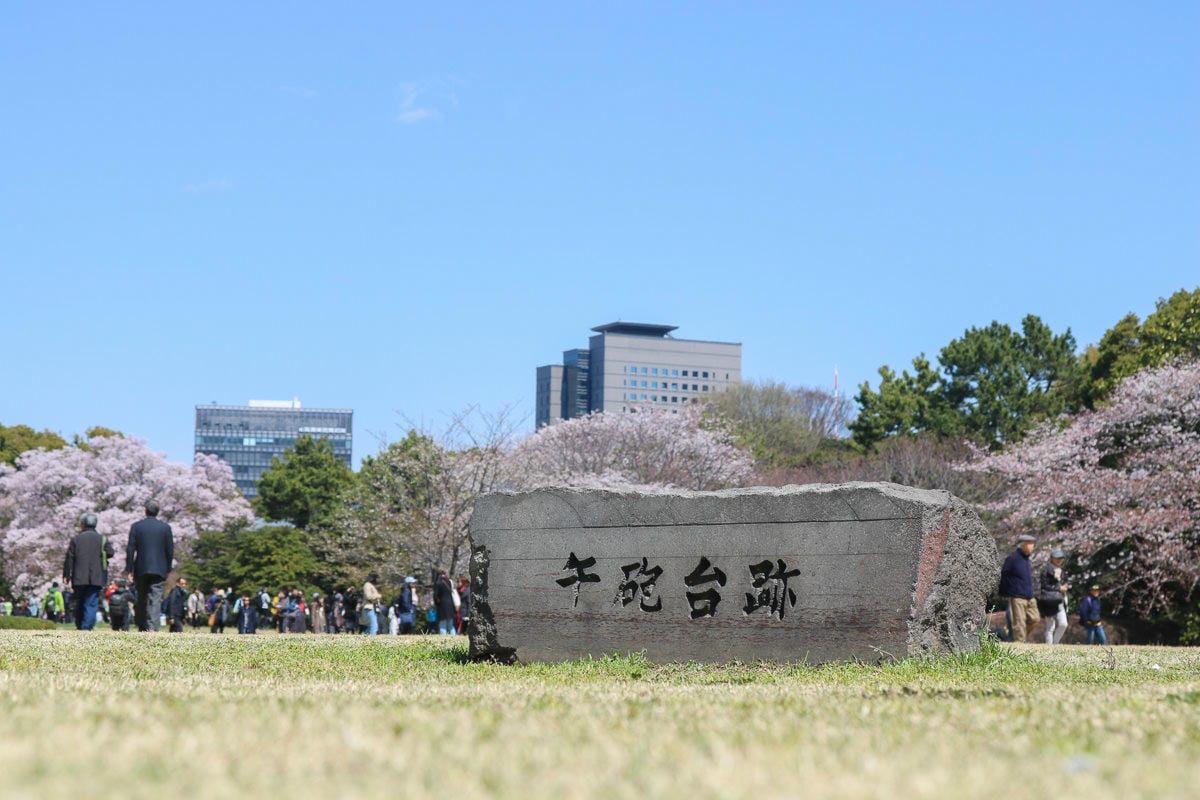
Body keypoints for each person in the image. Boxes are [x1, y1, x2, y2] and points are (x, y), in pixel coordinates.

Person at [126, 499, 174, 632]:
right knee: (155, 598)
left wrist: (129, 569)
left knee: (141, 597)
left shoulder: (136, 526)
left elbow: (130, 549)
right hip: (159, 568)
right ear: (158, 512)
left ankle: (142, 625)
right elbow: (170, 550)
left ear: (145, 511)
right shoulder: (165, 528)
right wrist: (168, 568)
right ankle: (152, 627)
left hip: (141, 567)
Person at [62, 512, 115, 631]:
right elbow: (110, 552)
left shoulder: (76, 539)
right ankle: (87, 627)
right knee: (91, 602)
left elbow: (69, 558)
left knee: (80, 601)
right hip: (96, 576)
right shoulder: (102, 539)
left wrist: (66, 575)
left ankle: (80, 625)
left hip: (79, 576)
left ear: (83, 524)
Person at [999, 534, 1040, 643]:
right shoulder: (1013, 558)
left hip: (1029, 596)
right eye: (1031, 544)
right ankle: (1019, 642)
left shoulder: (1026, 559)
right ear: (1024, 545)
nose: (1033, 547)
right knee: (1019, 623)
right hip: (1017, 596)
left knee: (1035, 619)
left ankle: (1016, 638)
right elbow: (1004, 575)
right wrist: (1006, 592)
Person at [1038, 549, 1070, 645]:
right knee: (1050, 626)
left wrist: (1065, 586)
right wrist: (1059, 588)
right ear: (1051, 558)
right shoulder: (1046, 570)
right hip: (1049, 600)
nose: (1059, 560)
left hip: (1060, 600)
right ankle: (1049, 646)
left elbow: (1065, 582)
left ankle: (1055, 644)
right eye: (1057, 558)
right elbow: (1044, 585)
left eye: (1061, 558)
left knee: (1063, 624)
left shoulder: (1062, 571)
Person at [434, 571, 457, 635]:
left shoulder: (438, 583)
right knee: (450, 624)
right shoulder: (449, 582)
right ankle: (454, 637)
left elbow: (436, 595)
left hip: (442, 605)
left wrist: (436, 603)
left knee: (442, 624)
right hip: (450, 604)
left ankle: (443, 638)